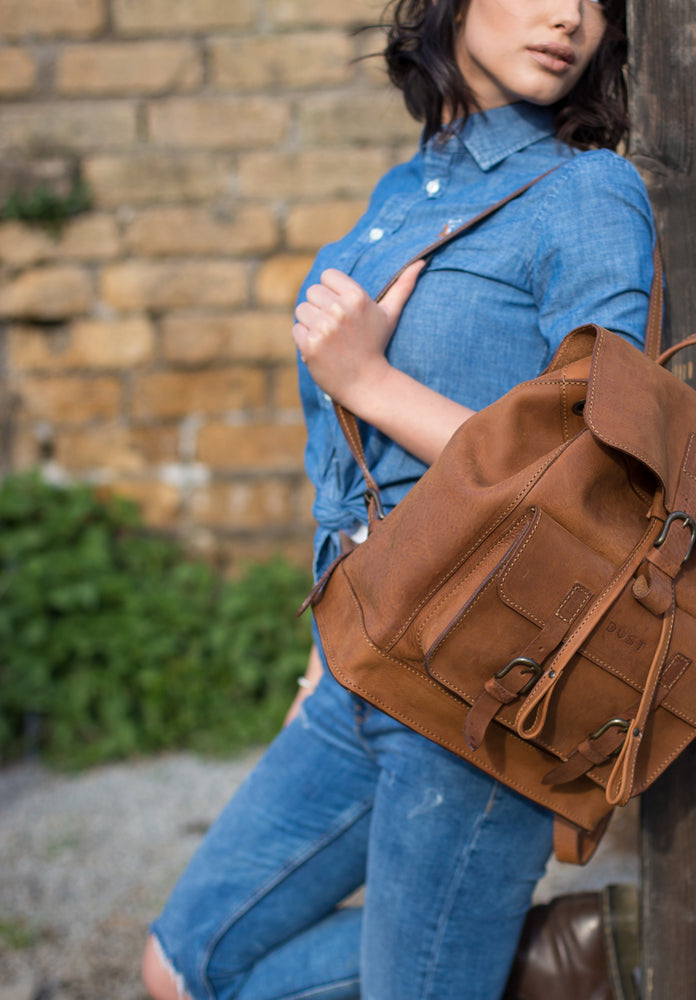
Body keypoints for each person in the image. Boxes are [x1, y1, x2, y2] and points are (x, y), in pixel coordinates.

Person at [141, 0, 655, 997]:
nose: (568, 18)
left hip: (481, 680)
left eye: (596, 3)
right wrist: (316, 654)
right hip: (359, 657)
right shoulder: (406, 190)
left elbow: (608, 473)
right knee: (181, 965)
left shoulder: (588, 192)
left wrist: (369, 378)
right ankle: (547, 960)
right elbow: (352, 470)